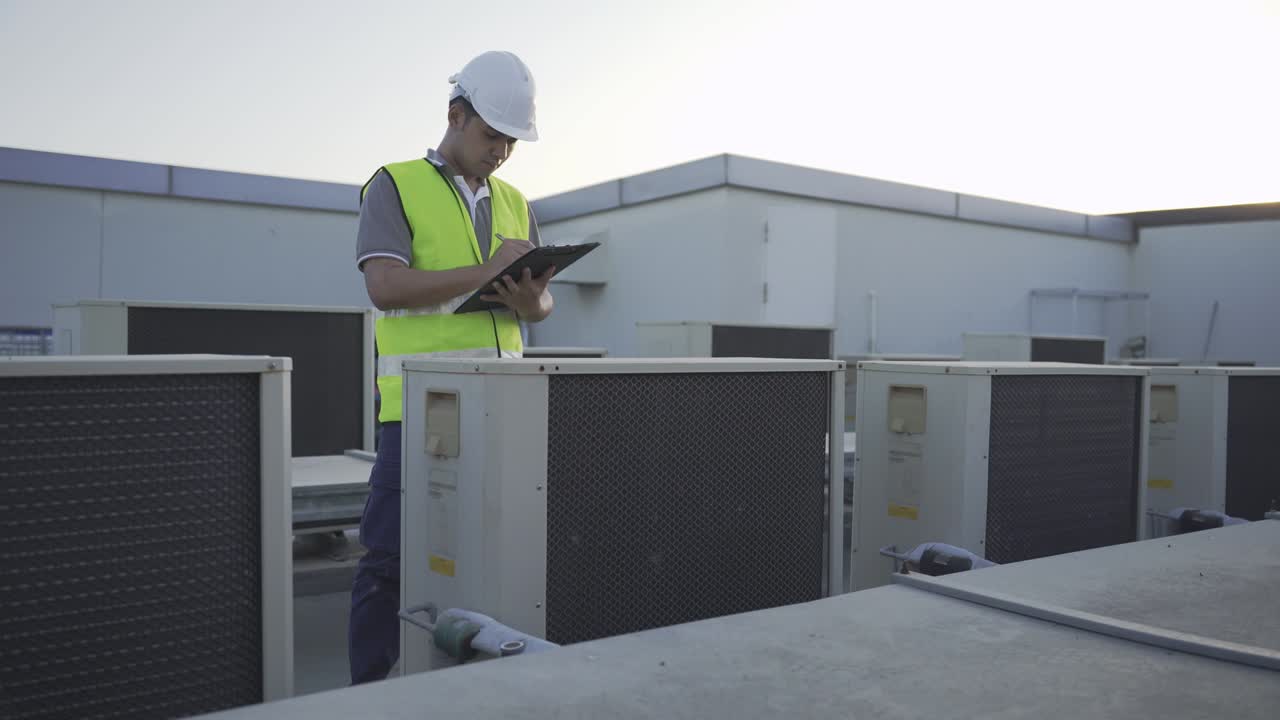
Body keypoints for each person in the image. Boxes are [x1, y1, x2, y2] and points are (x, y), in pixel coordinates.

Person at [348, 50, 553, 685]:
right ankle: (369, 694)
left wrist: (531, 300)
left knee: (495, 554)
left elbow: (540, 306)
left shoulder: (517, 201)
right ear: (455, 116)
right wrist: (488, 271)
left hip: (506, 415)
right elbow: (383, 286)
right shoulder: (395, 184)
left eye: (511, 142)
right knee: (390, 561)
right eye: (493, 136)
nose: (502, 153)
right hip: (419, 415)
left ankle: (477, 682)